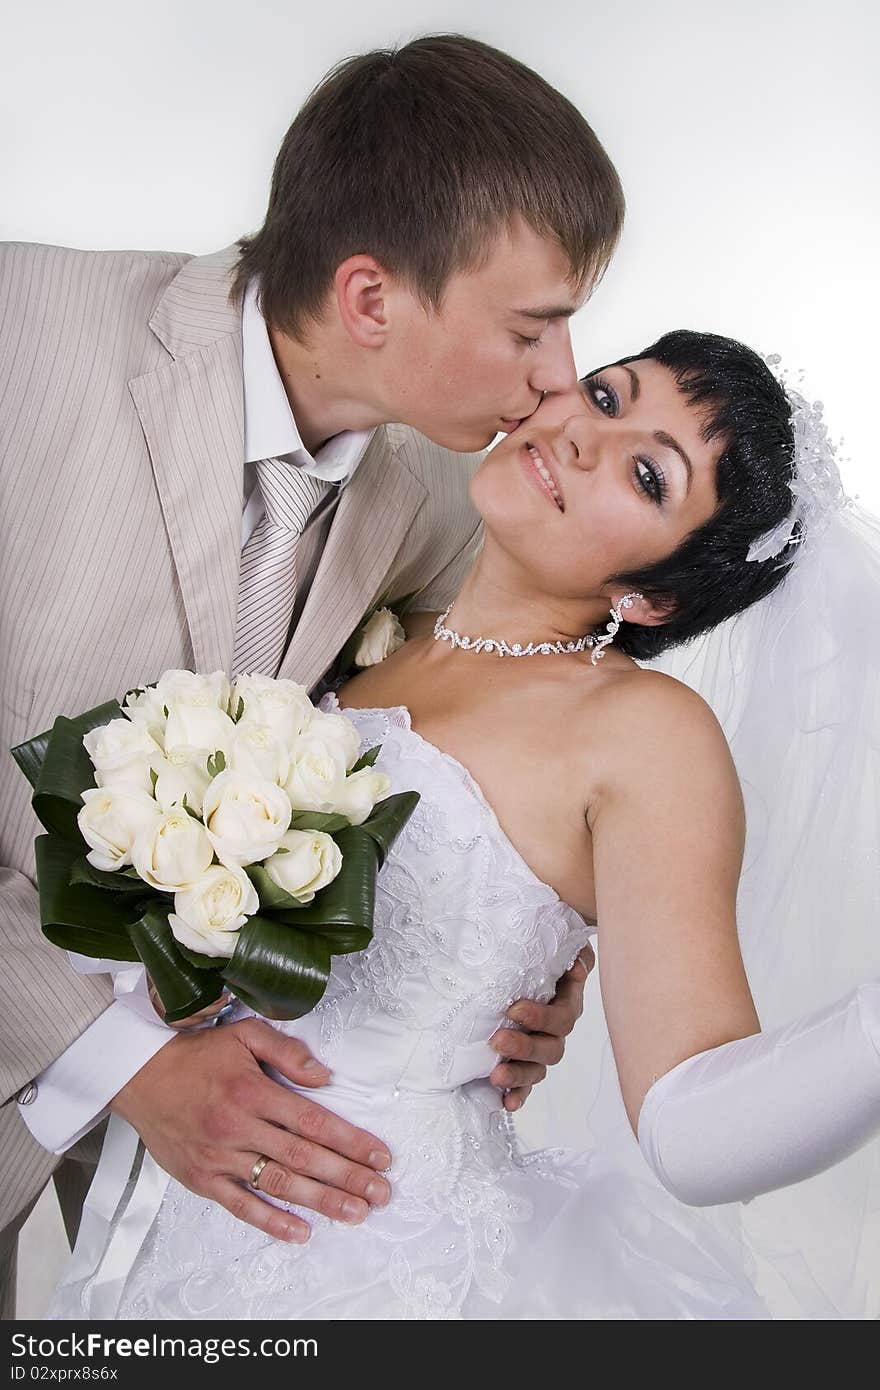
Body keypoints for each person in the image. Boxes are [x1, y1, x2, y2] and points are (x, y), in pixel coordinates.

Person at [51, 330, 880, 1320]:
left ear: (648, 594)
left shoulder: (645, 733)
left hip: (381, 1267)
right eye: (609, 397)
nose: (584, 437)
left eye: (647, 473)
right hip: (168, 1221)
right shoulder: (364, 613)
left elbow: (694, 1128)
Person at [0, 35, 624, 1314]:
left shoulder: (448, 485)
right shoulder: (22, 343)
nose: (559, 377)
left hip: (220, 1222)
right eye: (531, 327)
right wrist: (119, 1059)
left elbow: (526, 689)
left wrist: (529, 940)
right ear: (371, 299)